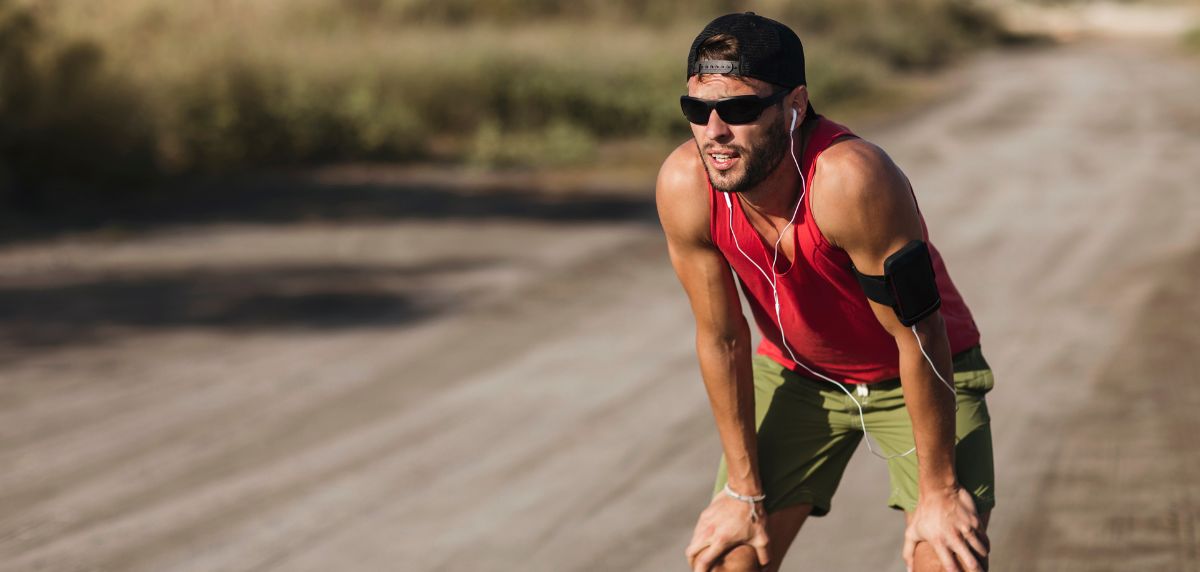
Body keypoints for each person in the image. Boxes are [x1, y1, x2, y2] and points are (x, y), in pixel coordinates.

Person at [655, 12, 996, 572]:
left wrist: (936, 493)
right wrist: (742, 492)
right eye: (697, 110)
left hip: (922, 373)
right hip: (798, 379)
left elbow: (920, 334)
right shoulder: (686, 184)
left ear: (794, 105)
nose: (714, 131)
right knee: (727, 559)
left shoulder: (851, 180)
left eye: (740, 110)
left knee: (947, 559)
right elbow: (722, 339)